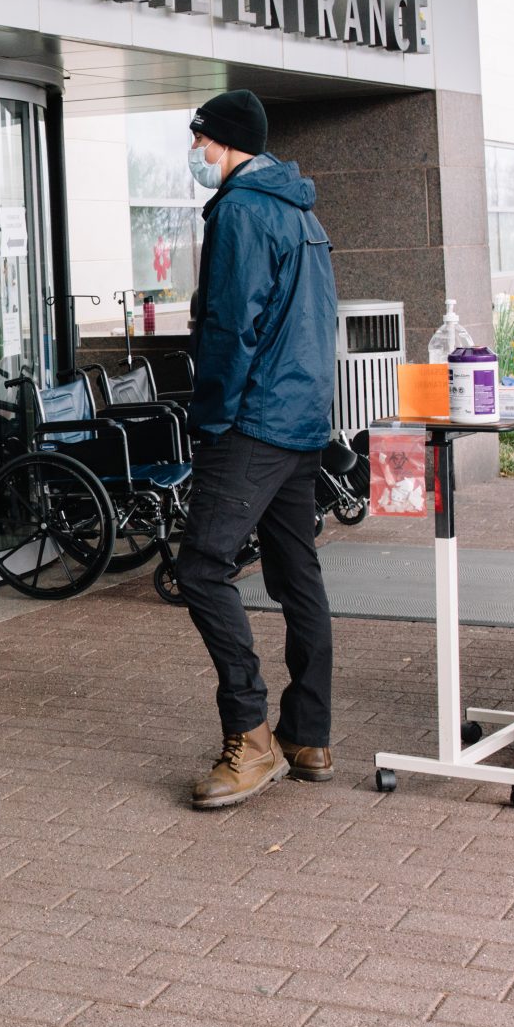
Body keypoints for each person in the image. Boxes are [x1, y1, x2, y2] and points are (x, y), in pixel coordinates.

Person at [173, 89, 338, 810]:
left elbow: (229, 329)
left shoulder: (242, 209)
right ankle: (309, 735)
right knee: (296, 576)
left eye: (201, 142)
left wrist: (209, 421)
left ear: (227, 142)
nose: (198, 155)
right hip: (302, 422)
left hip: (253, 424)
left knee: (201, 569)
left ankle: (252, 737)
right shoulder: (301, 210)